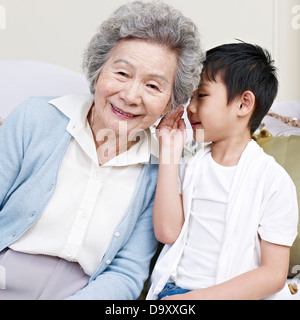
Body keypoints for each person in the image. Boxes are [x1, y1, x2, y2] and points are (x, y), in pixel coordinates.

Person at [0, 0, 203, 300]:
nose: (131, 96)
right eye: (122, 73)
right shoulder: (35, 118)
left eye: (153, 86)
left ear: (171, 103)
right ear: (98, 70)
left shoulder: (158, 169)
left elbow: (127, 273)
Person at [146, 42, 299, 300]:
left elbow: (273, 275)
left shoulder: (273, 181)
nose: (191, 107)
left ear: (243, 104)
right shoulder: (189, 165)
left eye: (202, 95)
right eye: (191, 97)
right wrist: (170, 155)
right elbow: (167, 232)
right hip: (174, 291)